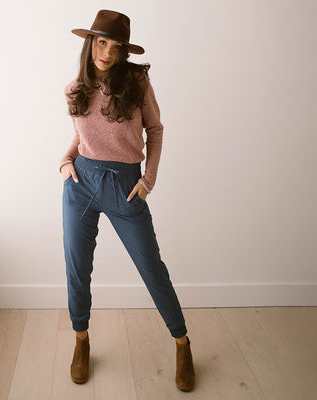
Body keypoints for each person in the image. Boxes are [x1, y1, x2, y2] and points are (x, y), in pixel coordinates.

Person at [59, 9, 195, 392]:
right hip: (81, 184)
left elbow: (155, 130)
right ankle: (81, 340)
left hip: (125, 186)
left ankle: (182, 342)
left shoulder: (136, 81)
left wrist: (148, 180)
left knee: (152, 269)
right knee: (77, 269)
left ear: (123, 52)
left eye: (116, 46)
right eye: (101, 42)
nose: (107, 52)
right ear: (90, 43)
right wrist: (66, 162)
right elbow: (81, 135)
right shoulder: (75, 88)